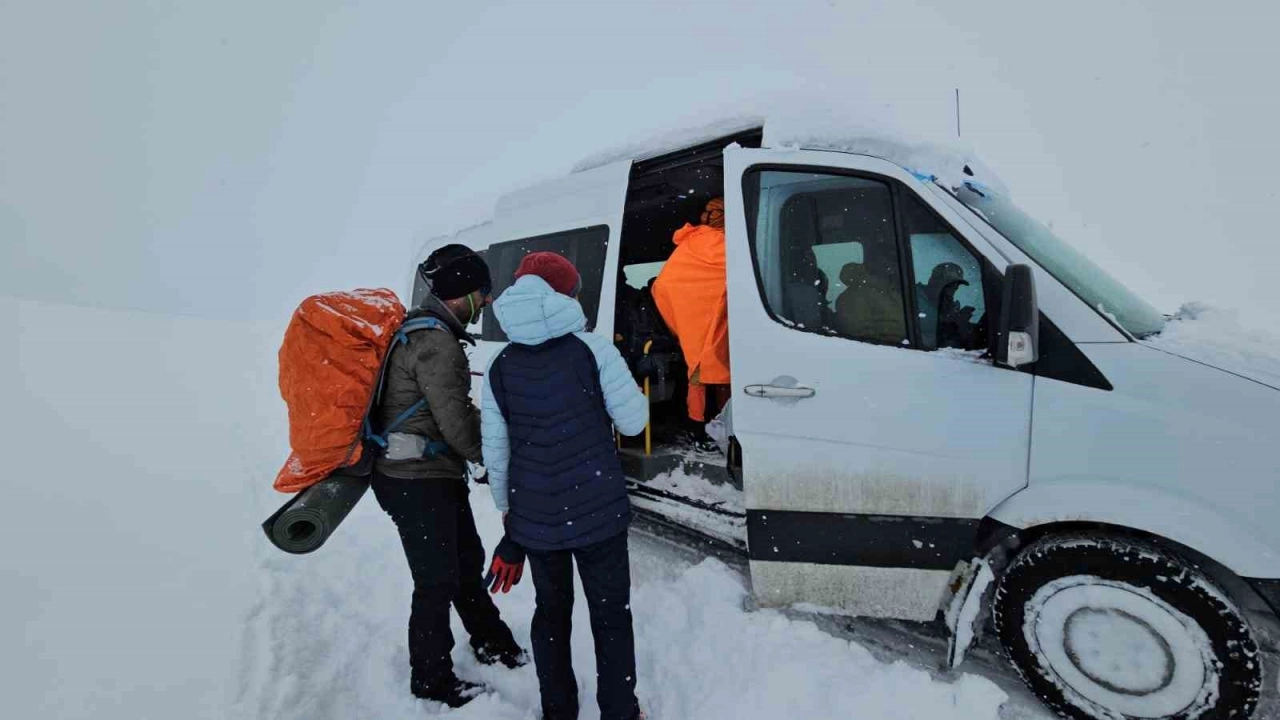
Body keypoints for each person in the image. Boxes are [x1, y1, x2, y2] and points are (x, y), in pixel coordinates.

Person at [481, 252, 649, 720]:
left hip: (537, 519)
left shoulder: (499, 365)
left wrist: (509, 513)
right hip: (599, 509)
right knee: (610, 614)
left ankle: (558, 710)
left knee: (551, 613)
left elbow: (496, 452)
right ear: (565, 294)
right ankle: (620, 711)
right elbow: (634, 423)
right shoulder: (593, 349)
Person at [369, 243, 527, 708]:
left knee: (463, 560)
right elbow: (455, 423)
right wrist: (495, 460)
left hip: (428, 475)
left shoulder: (426, 333)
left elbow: (449, 413)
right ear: (463, 293)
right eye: (483, 291)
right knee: (437, 577)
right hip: (415, 479)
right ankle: (431, 678)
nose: (488, 300)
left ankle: (491, 640)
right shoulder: (436, 344)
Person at [651, 197, 732, 430]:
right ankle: (710, 427)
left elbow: (663, 286)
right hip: (716, 319)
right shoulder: (727, 242)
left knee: (703, 374)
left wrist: (680, 318)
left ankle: (707, 426)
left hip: (695, 324)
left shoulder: (692, 242)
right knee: (720, 372)